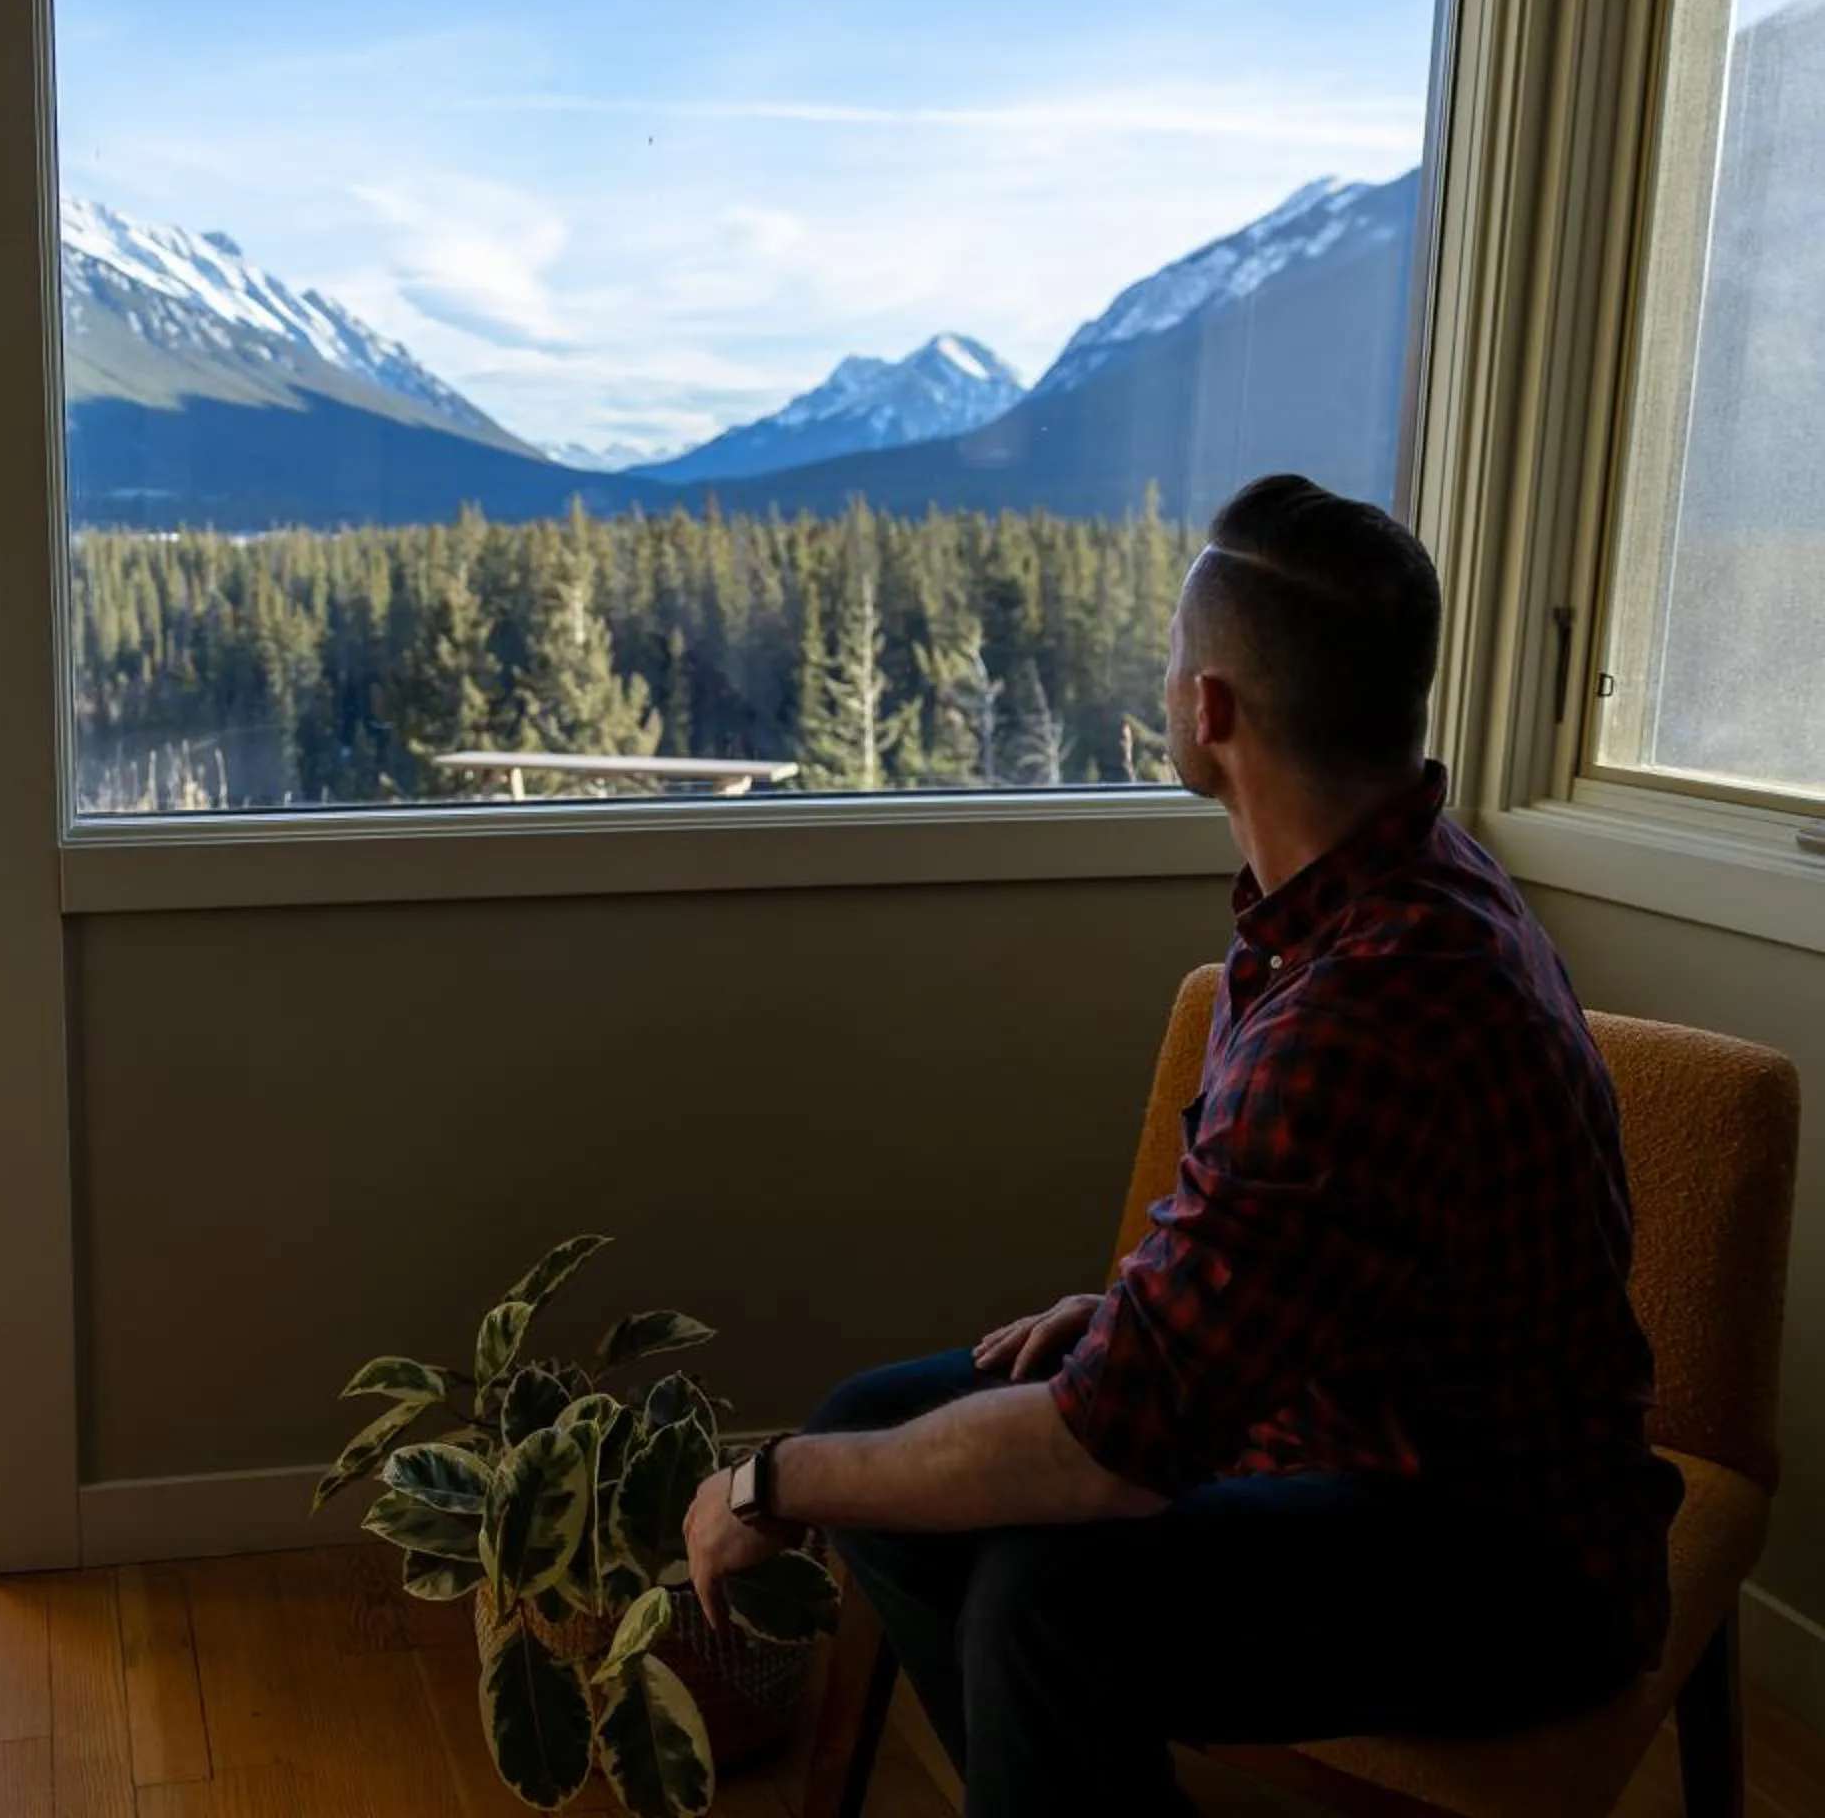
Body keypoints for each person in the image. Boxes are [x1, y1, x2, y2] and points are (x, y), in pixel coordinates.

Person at [681, 474, 1683, 1815]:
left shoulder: (1368, 1006)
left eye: (1168, 665)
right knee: (880, 1427)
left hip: (1510, 1556)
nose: (1161, 685)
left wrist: (767, 1478)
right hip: (1351, 1418)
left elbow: (1098, 1456)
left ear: (1210, 711)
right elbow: (1339, 1240)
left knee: (1044, 1598)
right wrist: (1143, 1314)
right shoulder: (1363, 888)